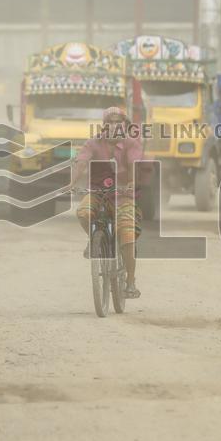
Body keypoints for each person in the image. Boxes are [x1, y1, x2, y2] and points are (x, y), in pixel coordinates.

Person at [71, 106, 143, 299]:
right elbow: (81, 161)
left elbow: (135, 165)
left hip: (124, 195)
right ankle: (93, 239)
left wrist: (132, 182)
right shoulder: (93, 143)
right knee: (83, 213)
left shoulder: (131, 143)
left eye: (117, 122)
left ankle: (130, 281)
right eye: (109, 122)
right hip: (97, 193)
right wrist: (71, 182)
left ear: (125, 125)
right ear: (104, 126)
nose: (113, 126)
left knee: (127, 233)